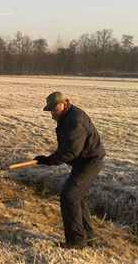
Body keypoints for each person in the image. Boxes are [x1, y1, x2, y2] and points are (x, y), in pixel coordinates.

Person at [34, 92, 106, 250]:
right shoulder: (66, 117)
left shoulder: (75, 120)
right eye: (50, 110)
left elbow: (71, 150)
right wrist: (47, 159)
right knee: (77, 199)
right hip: (83, 162)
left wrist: (49, 160)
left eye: (55, 108)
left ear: (64, 103)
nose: (52, 112)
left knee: (69, 197)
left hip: (90, 163)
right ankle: (89, 238)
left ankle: (76, 242)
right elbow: (67, 148)